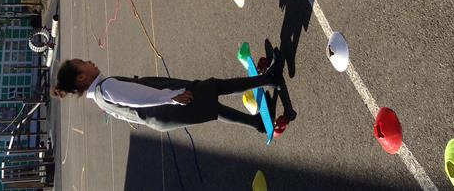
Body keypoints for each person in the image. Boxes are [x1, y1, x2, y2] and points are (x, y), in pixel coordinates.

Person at [51, 52, 283, 133]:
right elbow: (139, 99)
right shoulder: (107, 87)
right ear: (81, 77)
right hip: (166, 104)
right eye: (83, 63)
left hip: (161, 116)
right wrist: (171, 98)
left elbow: (130, 113)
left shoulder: (99, 99)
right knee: (216, 88)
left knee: (213, 107)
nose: (89, 62)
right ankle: (268, 80)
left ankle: (257, 122)